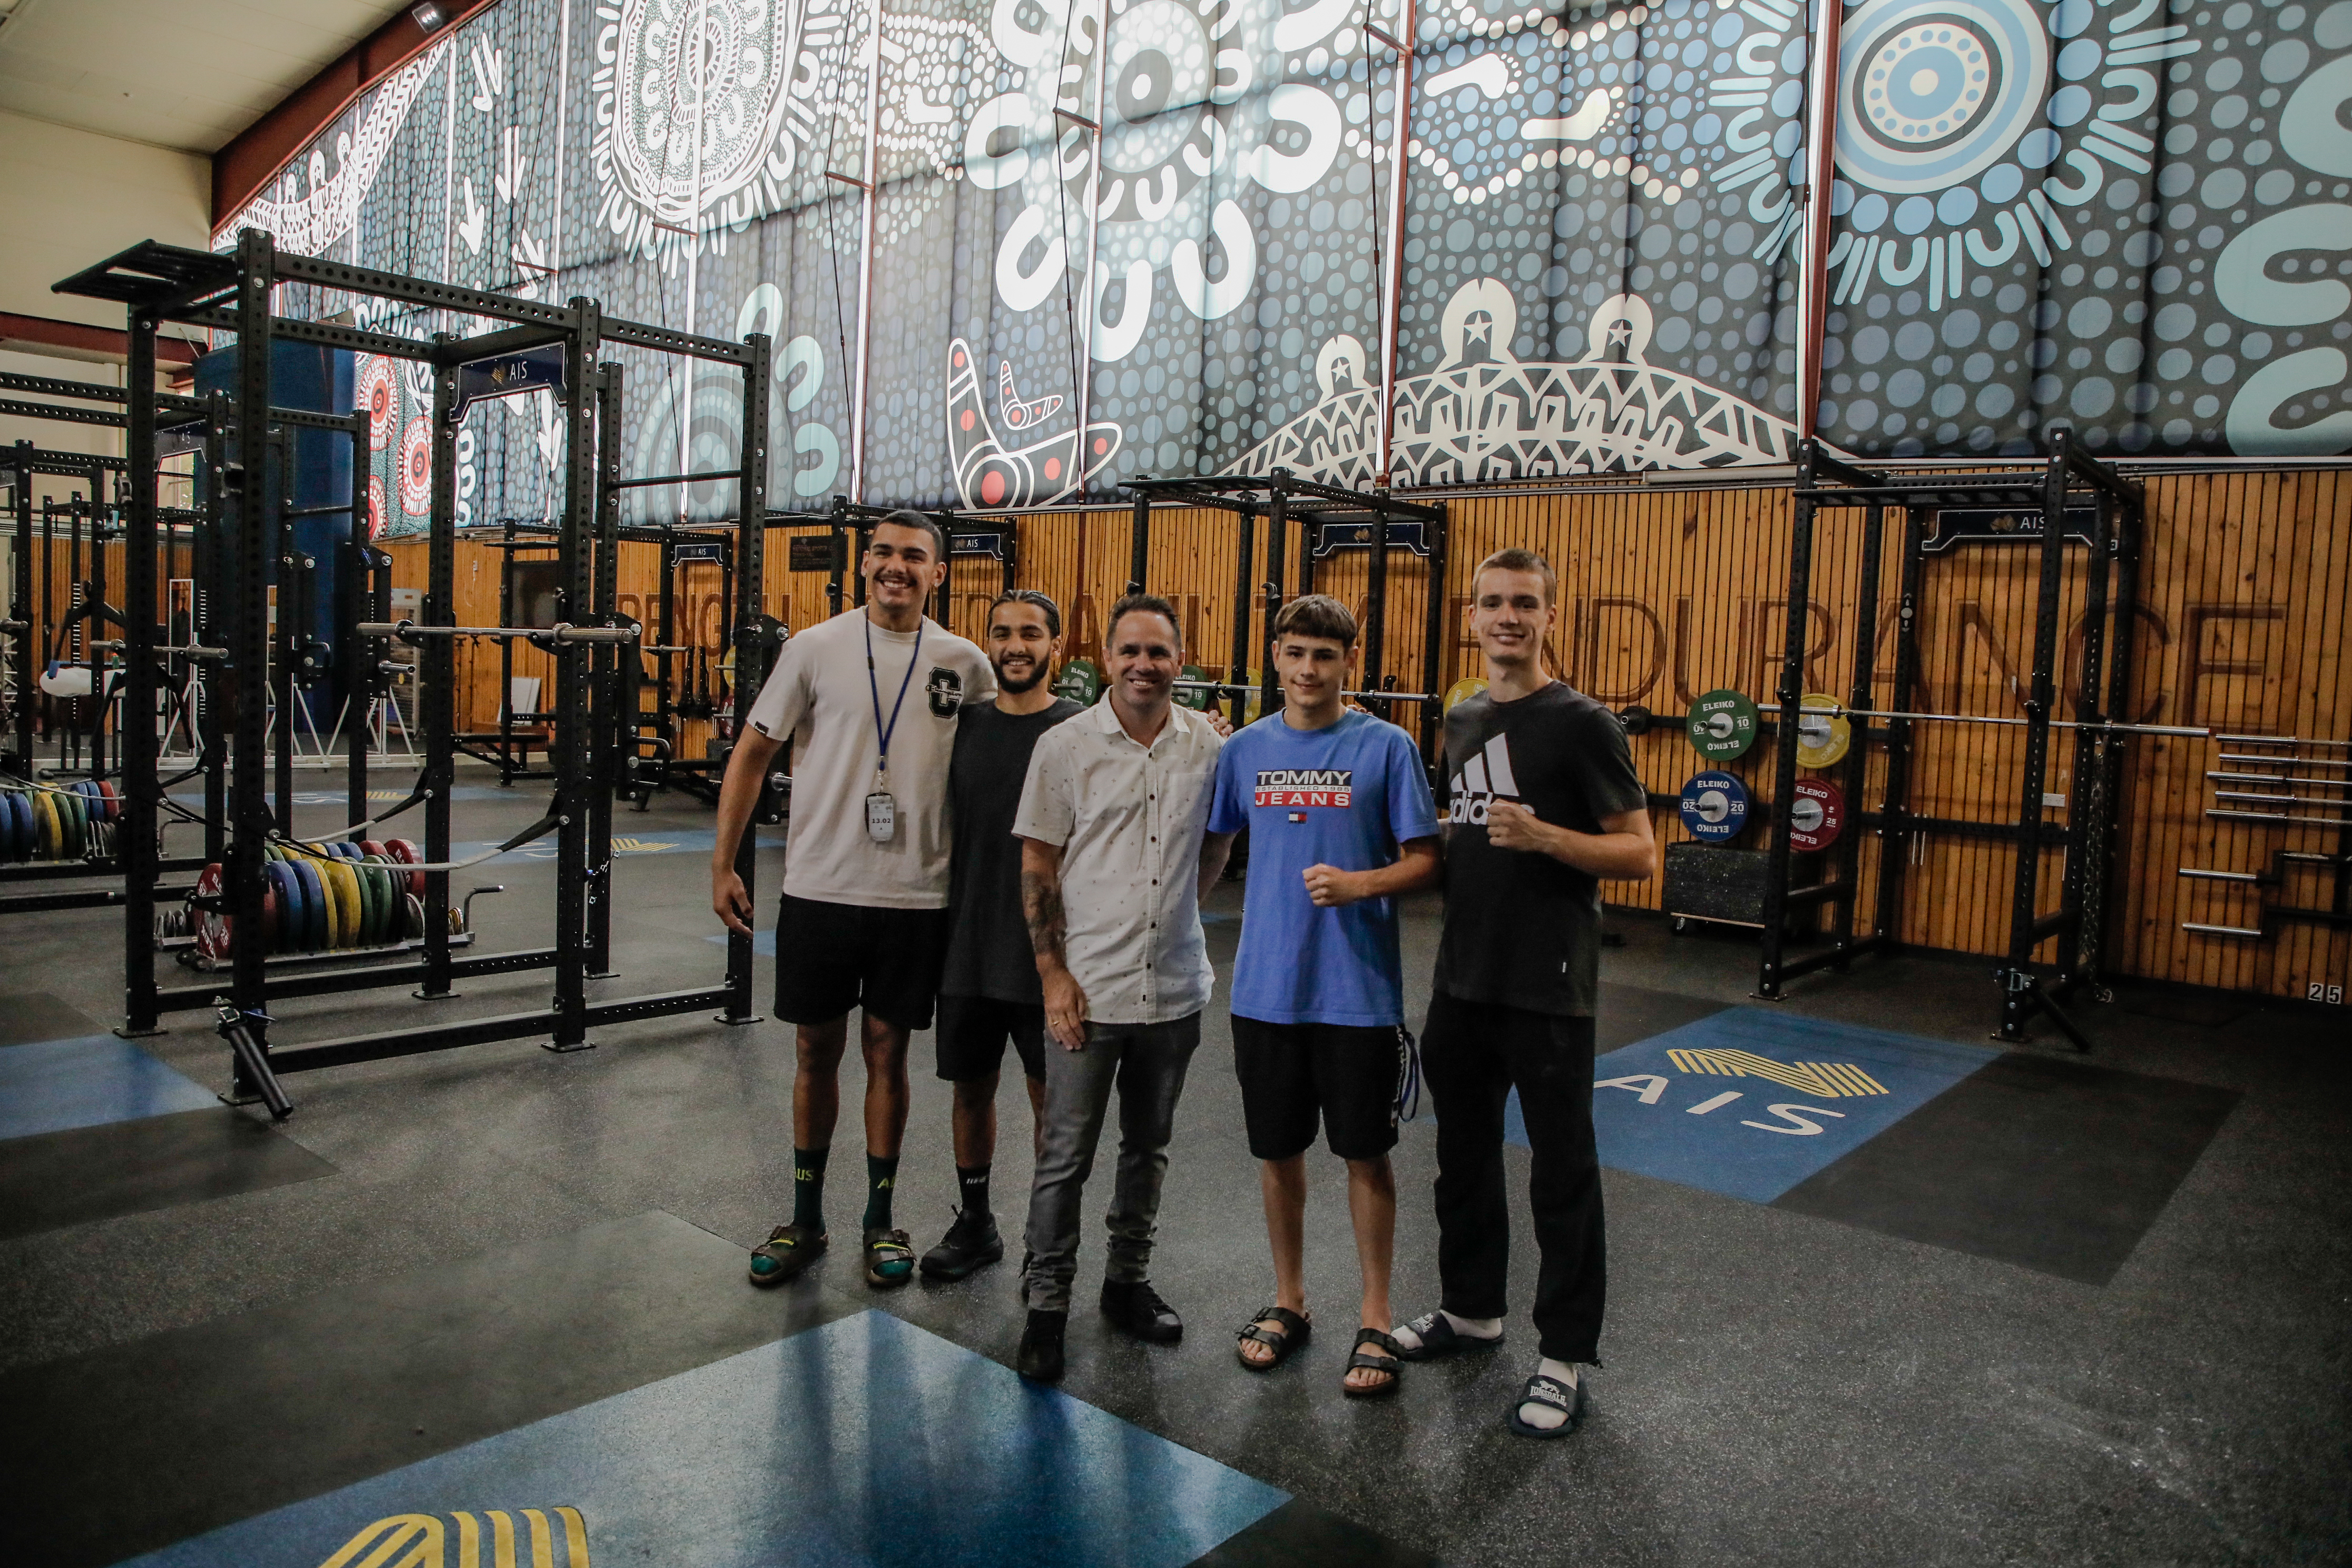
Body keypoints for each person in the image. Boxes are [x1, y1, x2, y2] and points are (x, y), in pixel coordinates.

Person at [1388, 547, 1655, 1439]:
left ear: (1550, 616)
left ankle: (1564, 1355)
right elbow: (1455, 837)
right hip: (1462, 979)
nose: (1508, 617)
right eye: (1493, 603)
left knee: (1561, 1172)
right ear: (1471, 616)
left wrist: (1546, 836)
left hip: (1550, 986)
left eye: (1525, 604)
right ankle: (1472, 1312)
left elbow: (1642, 853)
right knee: (1460, 1158)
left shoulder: (1584, 723)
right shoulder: (1460, 719)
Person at [711, 511, 994, 1292]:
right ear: (863, 562)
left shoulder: (964, 664)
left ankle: (880, 1221)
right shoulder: (813, 648)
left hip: (916, 896)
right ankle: (806, 1218)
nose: (894, 567)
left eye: (912, 557)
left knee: (887, 1054)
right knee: (813, 1052)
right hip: (820, 889)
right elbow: (751, 754)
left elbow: (1019, 746)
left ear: (938, 574)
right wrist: (724, 863)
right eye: (881, 553)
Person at [1208, 594, 1440, 1398]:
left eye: (1326, 657)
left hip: (1356, 993)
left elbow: (1425, 859)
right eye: (1297, 653)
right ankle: (1289, 1300)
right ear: (1276, 655)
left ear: (1349, 662)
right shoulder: (1243, 751)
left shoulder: (1387, 746)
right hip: (1264, 990)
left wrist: (1359, 884)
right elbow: (1217, 844)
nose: (1309, 671)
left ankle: (1375, 1314)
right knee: (1277, 1155)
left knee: (1365, 1156)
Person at [1010, 593, 1231, 1383]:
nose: (1144, 665)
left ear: (1180, 660)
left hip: (1174, 988)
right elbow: (1038, 865)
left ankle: (1126, 1285)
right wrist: (1052, 975)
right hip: (1088, 993)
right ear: (1106, 659)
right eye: (1130, 651)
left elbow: (1216, 846)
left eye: (1159, 653)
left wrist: (1176, 914)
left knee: (1149, 1150)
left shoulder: (1206, 746)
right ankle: (1045, 1307)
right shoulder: (1066, 747)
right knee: (1064, 1157)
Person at [919, 589, 1082, 1281]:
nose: (1016, 645)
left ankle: (1044, 1242)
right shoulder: (963, 725)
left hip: (1049, 954)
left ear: (1057, 647)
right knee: (970, 1089)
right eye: (1003, 633)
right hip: (967, 942)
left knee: (1051, 1099)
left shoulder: (1078, 729)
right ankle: (977, 1222)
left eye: (1031, 634)